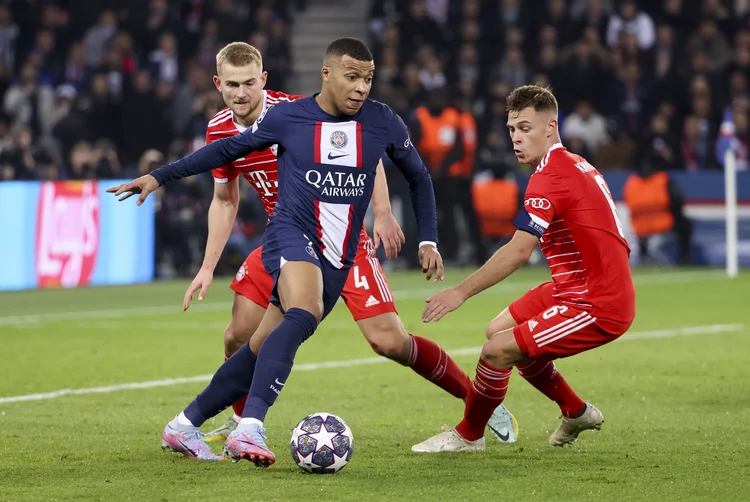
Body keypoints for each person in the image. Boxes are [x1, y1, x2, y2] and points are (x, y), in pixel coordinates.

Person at [107, 38, 511, 466]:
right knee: (289, 316)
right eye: (352, 77)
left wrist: (411, 229)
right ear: (327, 74)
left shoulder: (378, 121)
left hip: (343, 247)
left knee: (369, 341)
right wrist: (159, 177)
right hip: (291, 231)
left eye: (367, 79)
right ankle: (249, 426)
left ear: (263, 81)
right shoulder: (288, 119)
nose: (361, 87)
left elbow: (414, 176)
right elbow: (225, 154)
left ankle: (185, 425)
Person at [411, 84, 636, 453]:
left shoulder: (551, 177)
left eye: (526, 129)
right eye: (512, 129)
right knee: (499, 330)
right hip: (572, 285)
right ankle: (575, 410)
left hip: (597, 301)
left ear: (551, 127)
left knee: (496, 351)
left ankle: (468, 435)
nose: (516, 139)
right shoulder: (572, 163)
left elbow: (517, 252)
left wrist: (460, 292)